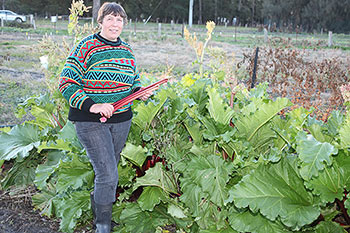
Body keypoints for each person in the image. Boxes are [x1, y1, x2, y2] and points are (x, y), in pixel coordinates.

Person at [58, 2, 154, 233]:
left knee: (107, 171)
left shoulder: (127, 50)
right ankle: (102, 225)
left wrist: (140, 93)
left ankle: (100, 213)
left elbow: (133, 81)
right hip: (90, 121)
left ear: (124, 24)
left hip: (121, 120)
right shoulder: (87, 46)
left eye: (119, 19)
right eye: (110, 18)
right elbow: (66, 82)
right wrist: (93, 105)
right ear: (100, 21)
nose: (115, 23)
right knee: (108, 173)